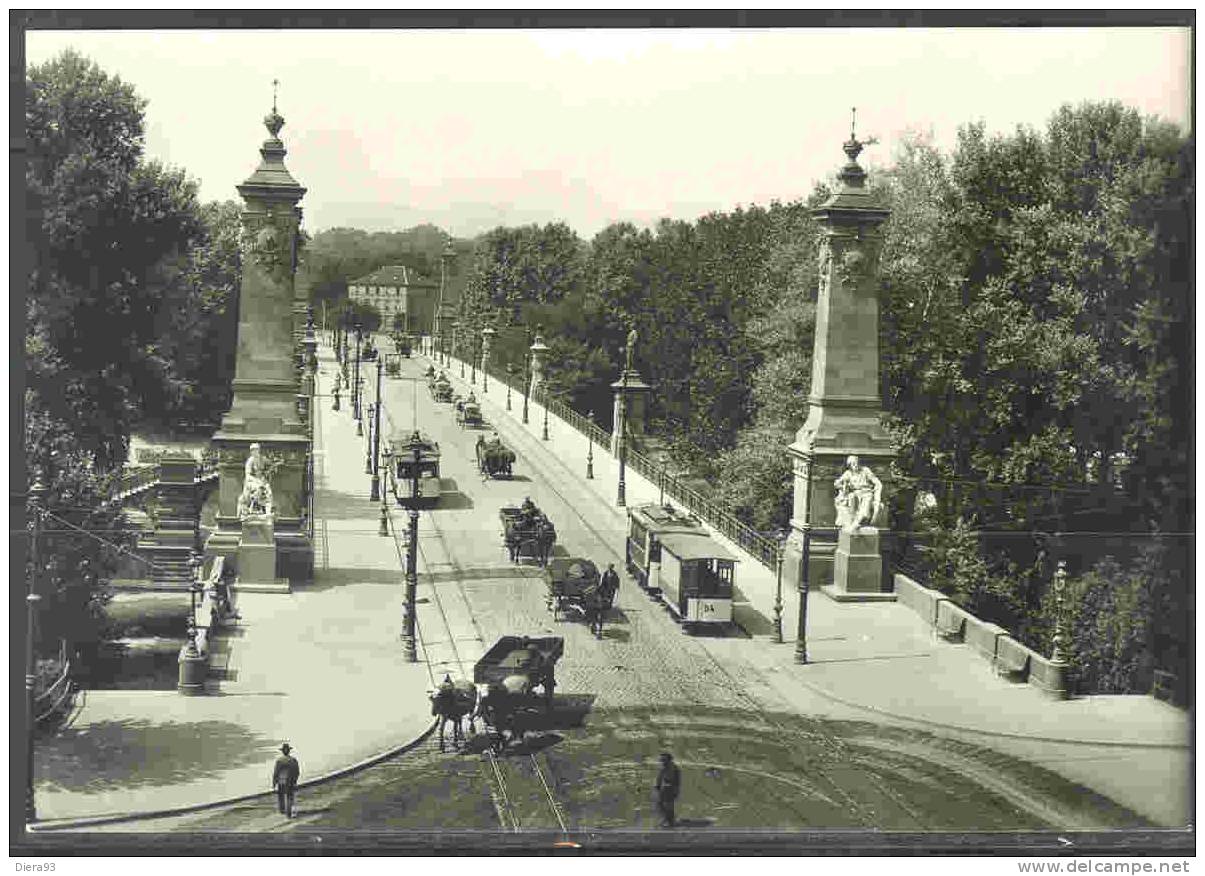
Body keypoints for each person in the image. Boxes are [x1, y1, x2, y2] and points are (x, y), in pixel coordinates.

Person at [833, 455, 882, 532]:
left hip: (866, 492)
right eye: (852, 464)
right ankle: (852, 523)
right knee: (849, 498)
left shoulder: (865, 470)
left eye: (856, 463)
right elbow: (837, 483)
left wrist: (877, 492)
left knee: (867, 499)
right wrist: (843, 487)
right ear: (849, 466)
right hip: (855, 493)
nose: (855, 465)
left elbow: (876, 482)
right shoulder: (848, 473)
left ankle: (856, 523)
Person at [272, 743, 300, 818]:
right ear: (289, 751)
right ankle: (289, 811)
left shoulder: (279, 760)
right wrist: (295, 781)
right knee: (289, 796)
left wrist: (274, 783)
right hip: (290, 780)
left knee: (281, 796)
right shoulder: (293, 760)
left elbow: (276, 772)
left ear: (282, 752)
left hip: (281, 781)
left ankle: (282, 810)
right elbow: (297, 772)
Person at [655, 752, 681, 827]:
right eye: (661, 759)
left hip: (670, 788)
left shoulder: (674, 768)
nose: (661, 761)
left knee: (668, 806)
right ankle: (668, 819)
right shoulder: (664, 767)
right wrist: (658, 786)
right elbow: (660, 777)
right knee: (660, 804)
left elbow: (676, 780)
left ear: (668, 759)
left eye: (663, 759)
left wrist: (676, 790)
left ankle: (670, 821)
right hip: (665, 788)